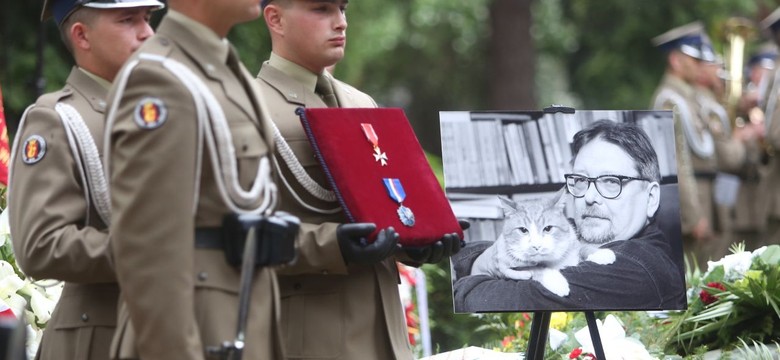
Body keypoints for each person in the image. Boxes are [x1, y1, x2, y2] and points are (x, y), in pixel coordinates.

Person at [255, 0, 463, 359]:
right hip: (308, 338)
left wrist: (413, 241)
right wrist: (331, 245)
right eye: (321, 9)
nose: (340, 22)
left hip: (386, 334)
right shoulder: (250, 106)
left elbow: (385, 204)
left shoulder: (359, 101)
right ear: (275, 18)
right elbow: (233, 234)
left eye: (342, 8)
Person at [103, 0, 290, 358]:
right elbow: (148, 252)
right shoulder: (157, 78)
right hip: (194, 332)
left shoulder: (220, 65)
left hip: (236, 319)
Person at [7, 0, 161, 359]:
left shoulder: (154, 115)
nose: (147, 33)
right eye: (128, 20)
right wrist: (154, 250)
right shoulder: (56, 119)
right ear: (82, 35)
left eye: (147, 18)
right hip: (97, 339)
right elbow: (39, 246)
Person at [452, 120, 686, 311]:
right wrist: (484, 260)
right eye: (582, 181)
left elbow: (485, 299)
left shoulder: (637, 270)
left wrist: (478, 269)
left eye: (611, 181)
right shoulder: (578, 232)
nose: (589, 197)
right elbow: (470, 254)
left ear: (651, 197)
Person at [650, 22, 720, 269]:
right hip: (689, 205)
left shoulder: (687, 96)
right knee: (691, 282)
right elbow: (675, 161)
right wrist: (693, 215)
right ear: (675, 60)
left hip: (702, 197)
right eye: (693, 59)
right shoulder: (669, 99)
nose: (700, 65)